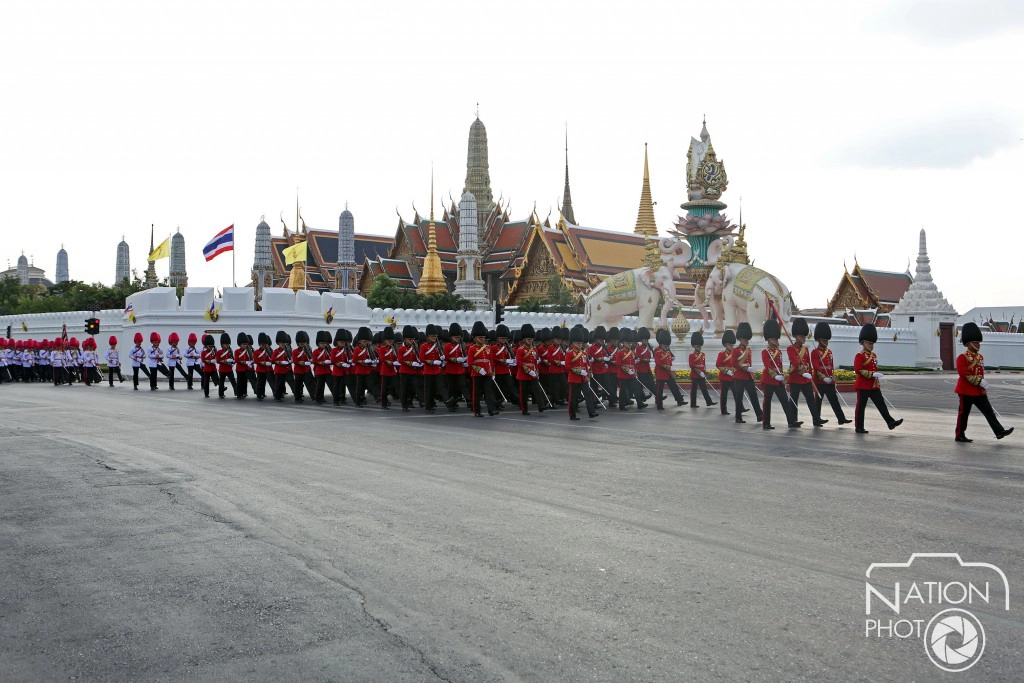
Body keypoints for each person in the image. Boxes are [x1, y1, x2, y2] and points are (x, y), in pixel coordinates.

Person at [954, 322, 1014, 442]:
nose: (978, 345)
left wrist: (982, 384)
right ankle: (959, 434)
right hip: (966, 391)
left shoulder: (979, 357)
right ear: (968, 343)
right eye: (976, 342)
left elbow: (980, 372)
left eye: (978, 342)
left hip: (978, 391)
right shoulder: (962, 357)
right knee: (963, 414)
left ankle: (999, 431)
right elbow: (965, 374)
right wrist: (979, 382)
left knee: (989, 411)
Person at [853, 323, 903, 434]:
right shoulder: (859, 356)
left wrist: (876, 375)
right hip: (863, 386)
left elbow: (874, 367)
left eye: (872, 344)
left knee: (881, 404)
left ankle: (890, 422)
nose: (871, 345)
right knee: (861, 407)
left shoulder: (874, 355)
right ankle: (859, 427)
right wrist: (872, 374)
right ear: (863, 343)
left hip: (874, 385)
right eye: (869, 343)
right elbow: (858, 370)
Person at [761, 319, 801, 430]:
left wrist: (782, 376)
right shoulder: (765, 352)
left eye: (776, 338)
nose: (776, 341)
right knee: (767, 402)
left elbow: (780, 366)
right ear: (768, 339)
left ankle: (791, 421)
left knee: (785, 400)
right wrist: (774, 375)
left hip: (778, 380)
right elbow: (767, 365)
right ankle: (766, 423)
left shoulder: (779, 352)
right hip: (769, 379)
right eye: (774, 338)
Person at [787, 318, 826, 426]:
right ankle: (792, 420)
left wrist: (809, 374)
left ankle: (816, 418)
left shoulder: (806, 349)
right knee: (794, 400)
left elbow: (808, 362)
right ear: (795, 336)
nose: (803, 339)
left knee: (811, 400)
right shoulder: (791, 348)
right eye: (801, 336)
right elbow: (794, 361)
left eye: (804, 336)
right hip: (795, 378)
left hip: (805, 379)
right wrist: (802, 370)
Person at [811, 322, 851, 426]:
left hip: (829, 381)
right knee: (818, 401)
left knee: (834, 401)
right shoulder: (815, 352)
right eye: (824, 340)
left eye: (827, 340)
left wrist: (832, 379)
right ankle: (816, 419)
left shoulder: (829, 352)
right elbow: (816, 367)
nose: (826, 342)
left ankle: (841, 418)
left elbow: (831, 367)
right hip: (820, 381)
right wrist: (823, 378)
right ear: (819, 340)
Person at [730, 322, 764, 424]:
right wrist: (745, 369)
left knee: (753, 396)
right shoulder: (735, 351)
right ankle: (738, 417)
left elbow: (748, 362)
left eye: (747, 340)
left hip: (748, 377)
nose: (747, 342)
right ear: (740, 339)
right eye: (745, 340)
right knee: (739, 397)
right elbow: (734, 364)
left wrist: (749, 369)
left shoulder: (748, 350)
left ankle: (759, 415)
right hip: (739, 376)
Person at [566, 326, 598, 420]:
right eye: (578, 343)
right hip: (574, 378)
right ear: (572, 343)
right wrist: (579, 371)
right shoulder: (570, 353)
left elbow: (587, 364)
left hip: (583, 378)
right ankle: (572, 415)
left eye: (581, 343)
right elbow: (567, 367)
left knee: (588, 394)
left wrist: (589, 372)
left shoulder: (584, 353)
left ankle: (591, 412)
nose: (580, 345)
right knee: (573, 398)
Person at [467, 321, 498, 417]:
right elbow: (470, 362)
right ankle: (477, 411)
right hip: (477, 374)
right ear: (475, 338)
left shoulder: (488, 348)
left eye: (483, 337)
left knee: (488, 392)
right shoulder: (472, 348)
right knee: (477, 393)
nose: (482, 339)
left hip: (487, 373)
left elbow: (491, 361)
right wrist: (478, 369)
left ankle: (491, 410)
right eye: (480, 337)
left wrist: (493, 372)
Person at [420, 325, 453, 413]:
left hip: (437, 370)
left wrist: (442, 358)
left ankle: (447, 401)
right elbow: (422, 359)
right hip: (428, 371)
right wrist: (433, 362)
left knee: (441, 387)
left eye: (435, 336)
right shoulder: (424, 346)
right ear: (427, 337)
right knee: (429, 390)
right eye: (432, 336)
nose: (434, 338)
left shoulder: (438, 346)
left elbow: (441, 356)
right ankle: (428, 406)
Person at [515, 324, 547, 414]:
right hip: (524, 374)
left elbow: (535, 361)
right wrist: (529, 371)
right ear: (524, 340)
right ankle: (524, 410)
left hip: (533, 373)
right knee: (523, 394)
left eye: (531, 339)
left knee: (537, 390)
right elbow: (519, 362)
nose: (530, 341)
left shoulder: (534, 350)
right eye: (528, 339)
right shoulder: (520, 350)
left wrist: (536, 371)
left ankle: (541, 406)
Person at [613, 329, 647, 410]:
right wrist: (627, 370)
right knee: (623, 391)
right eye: (628, 343)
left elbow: (633, 363)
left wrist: (634, 371)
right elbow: (618, 364)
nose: (629, 345)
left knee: (636, 389)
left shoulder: (632, 352)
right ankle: (622, 405)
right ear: (623, 343)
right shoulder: (619, 352)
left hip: (631, 374)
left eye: (630, 343)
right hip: (623, 374)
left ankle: (640, 403)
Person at [652, 328, 686, 409]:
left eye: (668, 346)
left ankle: (679, 400)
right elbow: (658, 362)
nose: (667, 347)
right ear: (661, 344)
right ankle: (659, 404)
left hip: (668, 372)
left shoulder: (667, 350)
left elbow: (669, 360)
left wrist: (670, 367)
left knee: (674, 386)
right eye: (665, 346)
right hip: (661, 373)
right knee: (659, 390)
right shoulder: (657, 351)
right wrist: (664, 366)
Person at [491, 324, 519, 407]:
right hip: (497, 370)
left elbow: (510, 357)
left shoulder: (507, 348)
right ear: (497, 338)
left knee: (510, 386)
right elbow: (493, 359)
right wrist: (504, 360)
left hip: (506, 370)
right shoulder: (493, 348)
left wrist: (511, 360)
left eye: (505, 338)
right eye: (502, 338)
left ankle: (518, 401)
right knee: (497, 389)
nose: (504, 340)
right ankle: (497, 403)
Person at [444, 323, 470, 410]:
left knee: (463, 385)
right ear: (451, 337)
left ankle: (469, 401)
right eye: (456, 337)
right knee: (452, 388)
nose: (458, 339)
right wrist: (457, 359)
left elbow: (466, 355)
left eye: (459, 337)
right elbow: (447, 356)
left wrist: (466, 360)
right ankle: (452, 405)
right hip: (451, 370)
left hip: (460, 370)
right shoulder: (448, 346)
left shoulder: (463, 346)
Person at [688, 330, 716, 408]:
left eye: (700, 346)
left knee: (704, 389)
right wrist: (699, 372)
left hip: (701, 375)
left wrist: (705, 372)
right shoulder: (692, 355)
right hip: (695, 375)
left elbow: (703, 365)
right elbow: (692, 365)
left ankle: (709, 402)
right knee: (694, 391)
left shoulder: (702, 354)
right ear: (693, 346)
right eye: (697, 346)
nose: (699, 348)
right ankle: (693, 404)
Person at [398, 325, 423, 411]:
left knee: (417, 386)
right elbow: (401, 360)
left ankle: (421, 401)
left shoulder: (415, 348)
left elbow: (418, 358)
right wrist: (412, 363)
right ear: (405, 339)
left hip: (413, 371)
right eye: (409, 340)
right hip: (404, 371)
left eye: (412, 340)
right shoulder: (401, 349)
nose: (411, 341)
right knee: (404, 389)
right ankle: (404, 405)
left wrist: (418, 362)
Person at [377, 327, 400, 409]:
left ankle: (404, 402)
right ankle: (384, 403)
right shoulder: (382, 349)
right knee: (384, 388)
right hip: (385, 371)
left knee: (397, 386)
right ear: (385, 341)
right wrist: (389, 362)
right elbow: (382, 359)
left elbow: (396, 357)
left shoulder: (393, 349)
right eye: (389, 341)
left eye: (392, 341)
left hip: (392, 371)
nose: (391, 342)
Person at [716, 330, 738, 415]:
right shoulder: (721, 354)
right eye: (730, 345)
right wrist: (727, 371)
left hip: (733, 377)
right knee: (724, 395)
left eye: (732, 345)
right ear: (725, 345)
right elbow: (718, 365)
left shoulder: (734, 354)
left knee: (736, 393)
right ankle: (723, 410)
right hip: (724, 377)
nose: (732, 347)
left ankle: (740, 408)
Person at [312, 330, 333, 405]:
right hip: (319, 371)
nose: (324, 345)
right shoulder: (315, 352)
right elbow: (314, 362)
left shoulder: (328, 351)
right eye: (322, 343)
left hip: (327, 370)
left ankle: (334, 397)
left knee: (331, 384)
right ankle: (318, 399)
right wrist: (322, 362)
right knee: (320, 386)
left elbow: (332, 358)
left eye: (324, 343)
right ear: (318, 344)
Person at [271, 331, 292, 402]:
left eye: (284, 343)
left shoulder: (287, 351)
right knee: (279, 384)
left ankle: (281, 395)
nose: (283, 344)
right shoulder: (276, 351)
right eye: (281, 343)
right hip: (279, 370)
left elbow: (290, 358)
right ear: (278, 343)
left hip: (286, 370)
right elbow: (273, 360)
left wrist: (290, 361)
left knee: (286, 383)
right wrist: (280, 362)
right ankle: (277, 396)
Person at [291, 331, 312, 403]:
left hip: (307, 370)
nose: (302, 344)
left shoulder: (308, 351)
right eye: (301, 343)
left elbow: (311, 360)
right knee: (298, 385)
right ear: (298, 343)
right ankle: (298, 398)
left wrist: (306, 362)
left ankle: (314, 396)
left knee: (311, 384)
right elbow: (295, 361)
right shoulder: (295, 351)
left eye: (303, 342)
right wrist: (304, 363)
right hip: (298, 371)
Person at [216, 332, 237, 398]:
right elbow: (218, 361)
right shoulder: (219, 352)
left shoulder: (230, 351)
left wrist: (232, 361)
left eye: (228, 344)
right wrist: (225, 361)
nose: (227, 345)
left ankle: (237, 393)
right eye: (225, 344)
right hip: (222, 370)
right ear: (222, 345)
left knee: (233, 382)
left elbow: (233, 360)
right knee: (221, 383)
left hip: (229, 369)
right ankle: (221, 394)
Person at [253, 332, 273, 400]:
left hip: (267, 369)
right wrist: (261, 362)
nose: (264, 345)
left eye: (265, 344)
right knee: (260, 383)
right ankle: (259, 395)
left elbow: (270, 359)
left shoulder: (268, 351)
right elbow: (255, 360)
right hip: (260, 369)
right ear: (260, 344)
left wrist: (267, 363)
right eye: (262, 344)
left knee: (264, 382)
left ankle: (263, 393)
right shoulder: (256, 352)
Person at [233, 332, 252, 399]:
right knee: (239, 382)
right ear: (240, 344)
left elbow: (250, 358)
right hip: (240, 369)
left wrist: (250, 362)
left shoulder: (248, 351)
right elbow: (237, 360)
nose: (245, 345)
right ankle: (239, 394)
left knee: (245, 381)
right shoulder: (237, 351)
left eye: (246, 344)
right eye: (244, 344)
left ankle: (244, 392)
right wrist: (246, 362)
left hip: (246, 369)